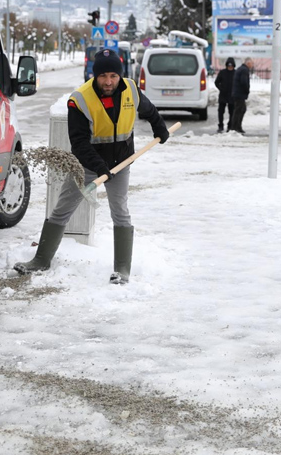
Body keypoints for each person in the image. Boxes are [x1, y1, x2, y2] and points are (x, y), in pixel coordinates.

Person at [14, 49, 169, 284]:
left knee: (120, 211)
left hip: (121, 163)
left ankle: (122, 269)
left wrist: (160, 128)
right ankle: (41, 260)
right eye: (103, 76)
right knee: (63, 208)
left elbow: (149, 111)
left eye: (113, 76)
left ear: (120, 75)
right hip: (86, 164)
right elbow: (79, 143)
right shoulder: (80, 99)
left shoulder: (131, 90)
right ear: (95, 76)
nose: (109, 81)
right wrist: (98, 166)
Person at [228, 57, 252, 133]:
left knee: (241, 109)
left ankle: (237, 126)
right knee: (239, 110)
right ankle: (235, 127)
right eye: (252, 63)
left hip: (237, 93)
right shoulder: (244, 70)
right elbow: (244, 82)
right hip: (240, 94)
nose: (252, 65)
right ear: (248, 63)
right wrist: (247, 90)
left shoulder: (240, 69)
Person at [214, 57, 236, 133]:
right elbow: (216, 82)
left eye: (231, 65)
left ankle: (230, 126)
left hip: (232, 96)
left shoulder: (235, 73)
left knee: (232, 112)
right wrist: (221, 88)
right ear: (226, 65)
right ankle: (220, 125)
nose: (230, 67)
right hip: (223, 95)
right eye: (229, 65)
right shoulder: (222, 72)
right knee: (221, 111)